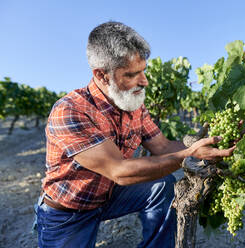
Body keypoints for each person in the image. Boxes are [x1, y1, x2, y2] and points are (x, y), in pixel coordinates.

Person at [34, 21, 234, 248]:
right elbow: (120, 171)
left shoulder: (133, 106)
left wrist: (211, 144)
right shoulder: (70, 111)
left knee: (163, 185)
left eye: (143, 71)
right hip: (68, 212)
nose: (144, 81)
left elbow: (163, 147)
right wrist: (189, 154)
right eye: (131, 74)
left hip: (109, 196)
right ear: (102, 75)